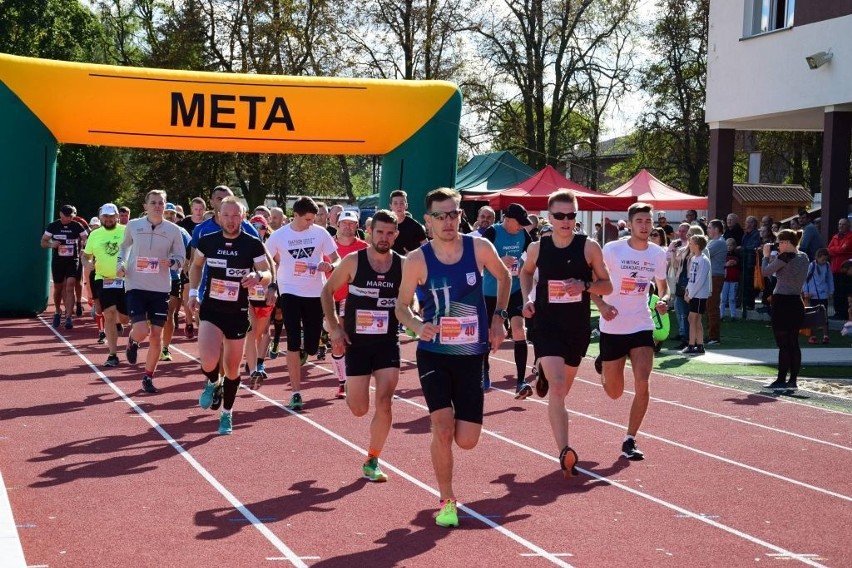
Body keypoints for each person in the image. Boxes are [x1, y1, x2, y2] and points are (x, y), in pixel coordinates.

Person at [395, 188, 510, 528]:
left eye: (454, 214)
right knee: (443, 429)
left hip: (472, 353)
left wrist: (498, 317)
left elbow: (504, 277)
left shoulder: (479, 248)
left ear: (461, 215)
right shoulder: (417, 259)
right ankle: (447, 499)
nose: (448, 221)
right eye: (441, 216)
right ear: (427, 221)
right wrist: (417, 324)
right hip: (434, 354)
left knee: (468, 440)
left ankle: (450, 430)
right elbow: (401, 306)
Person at [519, 190, 612, 478]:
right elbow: (525, 273)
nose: (566, 221)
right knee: (558, 389)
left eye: (571, 215)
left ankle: (543, 373)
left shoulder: (589, 247)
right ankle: (564, 450)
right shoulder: (538, 248)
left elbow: (606, 285)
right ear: (549, 218)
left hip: (577, 328)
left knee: (562, 389)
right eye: (559, 216)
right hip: (547, 325)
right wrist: (527, 299)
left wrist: (584, 286)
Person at [321, 209, 403, 481]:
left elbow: (410, 300)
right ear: (369, 233)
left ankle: (373, 458)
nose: (384, 237)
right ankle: (354, 388)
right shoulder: (354, 261)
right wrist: (334, 328)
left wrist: (412, 314)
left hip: (387, 343)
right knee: (359, 408)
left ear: (396, 235)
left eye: (390, 233)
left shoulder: (403, 264)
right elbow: (327, 292)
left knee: (385, 402)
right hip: (357, 342)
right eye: (379, 232)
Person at [188, 198, 272, 435]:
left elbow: (267, 272)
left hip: (237, 312)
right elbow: (195, 266)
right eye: (227, 215)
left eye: (236, 215)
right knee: (207, 361)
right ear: (218, 215)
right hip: (211, 310)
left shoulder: (252, 243)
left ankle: (226, 413)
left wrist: (258, 277)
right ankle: (214, 382)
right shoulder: (208, 240)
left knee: (233, 369)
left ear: (243, 217)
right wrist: (194, 291)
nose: (231, 220)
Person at [592, 202, 669, 461]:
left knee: (643, 383)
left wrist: (663, 300)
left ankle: (630, 438)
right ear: (631, 223)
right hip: (613, 326)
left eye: (648, 221)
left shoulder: (658, 254)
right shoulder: (612, 250)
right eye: (640, 221)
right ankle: (604, 366)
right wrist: (602, 306)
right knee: (614, 393)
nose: (645, 226)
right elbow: (595, 283)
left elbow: (663, 286)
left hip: (641, 324)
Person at [265, 197, 340, 409]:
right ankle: (296, 392)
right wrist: (271, 283)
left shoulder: (320, 233)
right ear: (295, 215)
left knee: (312, 346)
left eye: (313, 219)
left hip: (316, 292)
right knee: (293, 343)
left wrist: (330, 265)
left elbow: (337, 258)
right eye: (307, 219)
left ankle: (308, 345)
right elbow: (264, 259)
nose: (311, 223)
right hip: (289, 289)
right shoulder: (279, 236)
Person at [117, 190, 187, 394]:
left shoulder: (174, 230)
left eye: (161, 203)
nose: (158, 206)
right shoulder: (134, 226)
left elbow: (181, 258)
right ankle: (132, 340)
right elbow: (124, 248)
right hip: (136, 285)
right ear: (145, 205)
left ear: (165, 206)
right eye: (154, 202)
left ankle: (148, 376)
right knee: (141, 331)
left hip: (160, 287)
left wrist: (172, 262)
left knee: (156, 335)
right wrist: (120, 264)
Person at [481, 203, 533, 392]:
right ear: (508, 219)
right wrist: (497, 263)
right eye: (518, 223)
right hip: (491, 292)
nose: (521, 227)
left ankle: (521, 381)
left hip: (515, 289)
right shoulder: (491, 233)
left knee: (519, 330)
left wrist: (524, 267)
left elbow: (531, 257)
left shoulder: (523, 235)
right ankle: (484, 372)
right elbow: (477, 262)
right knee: (488, 334)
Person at [323, 209, 369, 396]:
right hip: (329, 298)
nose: (348, 227)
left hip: (353, 300)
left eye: (352, 224)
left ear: (357, 226)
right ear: (338, 224)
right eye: (344, 223)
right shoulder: (327, 246)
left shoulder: (365, 248)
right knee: (337, 341)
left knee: (349, 341)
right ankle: (343, 380)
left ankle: (347, 381)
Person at [761, 230, 810, 392]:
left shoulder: (785, 257)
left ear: (787, 243)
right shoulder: (804, 256)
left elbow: (765, 271)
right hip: (796, 301)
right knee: (793, 343)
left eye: (780, 242)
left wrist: (766, 256)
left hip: (782, 302)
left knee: (783, 344)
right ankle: (793, 380)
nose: (778, 245)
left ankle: (781, 379)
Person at [83, 203, 129, 366]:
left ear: (117, 216)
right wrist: (87, 263)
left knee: (124, 319)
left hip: (125, 279)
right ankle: (112, 354)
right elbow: (86, 255)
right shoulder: (94, 234)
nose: (108, 219)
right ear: (101, 217)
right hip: (103, 279)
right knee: (108, 313)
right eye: (105, 216)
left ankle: (125, 330)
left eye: (111, 216)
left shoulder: (126, 231)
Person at [41, 204, 88, 329]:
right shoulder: (53, 226)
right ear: (60, 214)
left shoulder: (76, 226)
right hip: (58, 261)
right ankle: (57, 311)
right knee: (58, 288)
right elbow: (43, 242)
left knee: (70, 285)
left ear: (73, 215)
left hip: (72, 260)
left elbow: (86, 238)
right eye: (66, 216)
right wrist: (52, 244)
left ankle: (68, 317)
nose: (68, 218)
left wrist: (83, 246)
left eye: (70, 216)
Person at [244, 215, 275, 387]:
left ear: (266, 230)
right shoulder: (245, 244)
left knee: (262, 333)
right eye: (253, 226)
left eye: (261, 227)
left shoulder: (268, 246)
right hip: (248, 296)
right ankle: (254, 368)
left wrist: (274, 287)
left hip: (265, 296)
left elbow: (275, 267)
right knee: (251, 331)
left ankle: (258, 361)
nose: (257, 229)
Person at [161, 203, 192, 361]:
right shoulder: (152, 230)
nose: (169, 216)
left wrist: (188, 266)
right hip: (151, 279)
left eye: (172, 213)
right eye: (166, 213)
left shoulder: (182, 232)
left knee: (169, 314)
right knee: (151, 317)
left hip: (173, 278)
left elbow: (191, 251)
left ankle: (165, 348)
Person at [178, 197, 207, 339]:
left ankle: (200, 321)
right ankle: (189, 323)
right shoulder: (184, 223)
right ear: (191, 210)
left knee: (201, 295)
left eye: (201, 209)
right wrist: (184, 261)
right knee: (188, 292)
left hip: (205, 265)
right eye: (196, 209)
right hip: (189, 262)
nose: (198, 211)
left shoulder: (208, 223)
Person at [682, 235, 711, 355]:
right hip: (694, 293)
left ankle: (692, 345)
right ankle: (699, 344)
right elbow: (692, 278)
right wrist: (687, 291)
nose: (690, 244)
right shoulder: (694, 258)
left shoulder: (704, 260)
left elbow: (700, 280)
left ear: (697, 245)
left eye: (692, 243)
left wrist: (691, 294)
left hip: (699, 295)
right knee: (695, 319)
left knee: (692, 318)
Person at [802, 248, 834, 344]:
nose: (824, 261)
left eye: (826, 259)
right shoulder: (811, 266)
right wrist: (805, 292)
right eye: (822, 259)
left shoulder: (827, 266)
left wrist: (831, 291)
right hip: (813, 294)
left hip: (823, 294)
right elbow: (805, 279)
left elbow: (830, 279)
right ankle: (813, 336)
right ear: (817, 257)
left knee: (824, 315)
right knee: (812, 316)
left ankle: (825, 335)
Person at [705, 219, 727, 344]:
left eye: (709, 227)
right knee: (710, 306)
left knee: (712, 307)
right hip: (713, 276)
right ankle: (711, 334)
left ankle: (714, 336)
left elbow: (702, 252)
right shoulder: (715, 241)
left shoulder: (718, 242)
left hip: (715, 277)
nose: (708, 230)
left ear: (716, 229)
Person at [827, 218, 852, 320]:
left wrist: (835, 250)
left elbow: (844, 249)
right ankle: (838, 313)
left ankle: (844, 314)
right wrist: (838, 250)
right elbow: (828, 250)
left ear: (848, 226)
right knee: (836, 292)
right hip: (835, 269)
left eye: (843, 224)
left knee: (844, 293)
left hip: (846, 271)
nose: (841, 226)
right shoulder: (835, 236)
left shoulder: (850, 237)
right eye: (839, 224)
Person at [389, 190, 427, 255]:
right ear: (390, 206)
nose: (399, 206)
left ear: (406, 205)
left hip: (410, 263)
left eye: (401, 203)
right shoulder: (386, 225)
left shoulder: (415, 226)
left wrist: (414, 254)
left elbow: (426, 246)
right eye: (395, 203)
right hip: (389, 263)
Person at [721, 238, 740, 321]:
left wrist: (735, 263)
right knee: (723, 298)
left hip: (734, 279)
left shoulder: (737, 255)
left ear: (734, 246)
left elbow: (739, 264)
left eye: (731, 245)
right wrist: (726, 264)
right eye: (727, 245)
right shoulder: (722, 255)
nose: (729, 247)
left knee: (732, 298)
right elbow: (721, 265)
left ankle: (733, 315)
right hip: (725, 279)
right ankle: (721, 315)